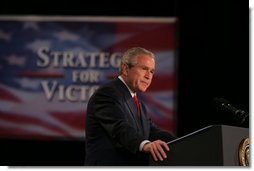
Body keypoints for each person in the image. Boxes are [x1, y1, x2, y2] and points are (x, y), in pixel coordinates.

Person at [85, 47, 176, 166]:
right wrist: (145, 144)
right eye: (144, 69)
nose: (148, 76)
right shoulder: (107, 94)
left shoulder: (138, 104)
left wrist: (182, 142)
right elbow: (119, 127)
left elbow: (151, 132)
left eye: (152, 71)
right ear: (126, 69)